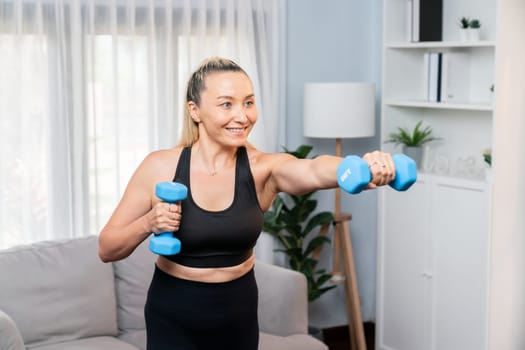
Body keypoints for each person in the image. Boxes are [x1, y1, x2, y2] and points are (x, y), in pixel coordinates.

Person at [98, 57, 396, 350]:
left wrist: (360, 167)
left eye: (249, 103)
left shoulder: (262, 169)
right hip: (174, 314)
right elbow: (107, 247)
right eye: (227, 104)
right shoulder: (159, 166)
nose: (242, 116)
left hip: (236, 315)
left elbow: (313, 169)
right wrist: (149, 222)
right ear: (195, 110)